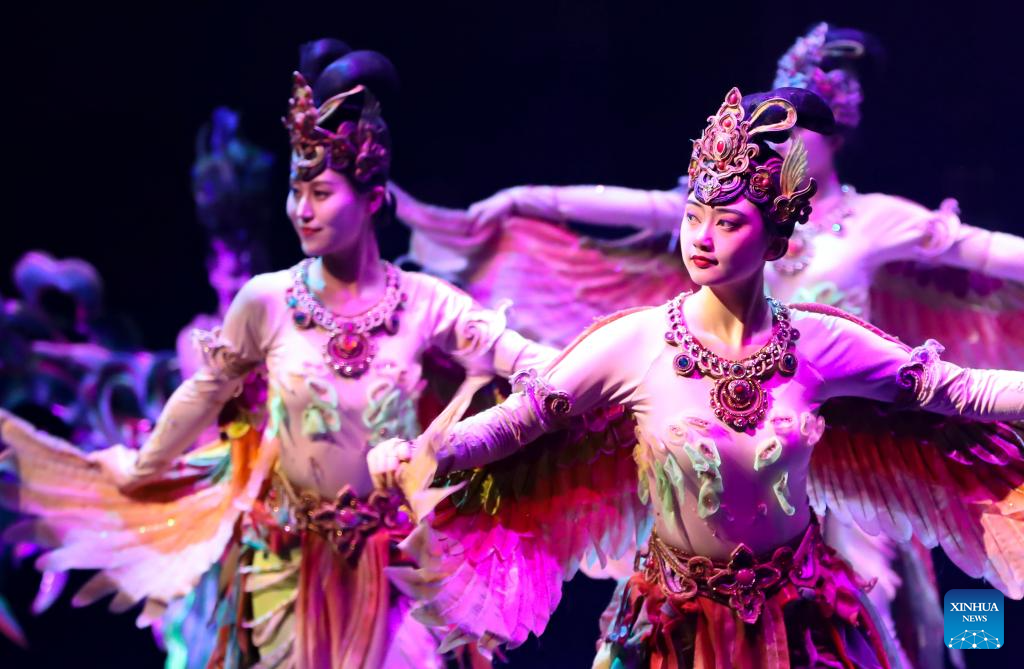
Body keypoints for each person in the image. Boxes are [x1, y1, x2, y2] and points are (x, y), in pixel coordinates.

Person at [372, 87, 1024, 668]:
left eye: (728, 222)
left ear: (775, 243)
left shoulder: (822, 342)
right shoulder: (635, 342)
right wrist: (428, 449)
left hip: (802, 625)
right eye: (693, 216)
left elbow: (958, 391)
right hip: (673, 629)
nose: (701, 237)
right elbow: (523, 419)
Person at [0, 38, 552, 669]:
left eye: (322, 194)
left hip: (397, 569)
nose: (302, 210)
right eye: (297, 192)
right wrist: (145, 466)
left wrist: (465, 442)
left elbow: (529, 365)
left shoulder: (428, 304)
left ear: (372, 198)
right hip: (291, 569)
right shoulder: (266, 301)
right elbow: (205, 389)